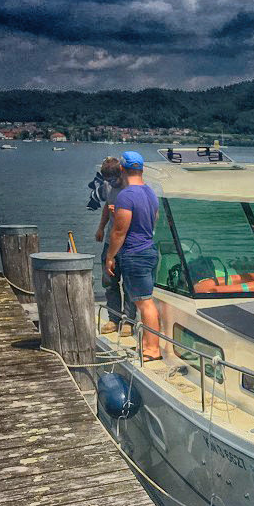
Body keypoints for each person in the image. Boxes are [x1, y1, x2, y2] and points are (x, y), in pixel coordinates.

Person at [105, 151, 161, 361]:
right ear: (142, 169)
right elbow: (154, 218)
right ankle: (148, 343)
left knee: (144, 303)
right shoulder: (150, 192)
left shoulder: (126, 196)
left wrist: (110, 256)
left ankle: (152, 349)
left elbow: (119, 231)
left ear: (122, 169)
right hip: (149, 250)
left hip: (134, 253)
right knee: (146, 301)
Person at [93, 157, 136, 334]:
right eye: (108, 180)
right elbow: (106, 207)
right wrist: (101, 227)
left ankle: (129, 321)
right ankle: (113, 318)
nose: (111, 183)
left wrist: (119, 212)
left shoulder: (131, 189)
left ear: (122, 173)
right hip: (111, 242)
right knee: (109, 282)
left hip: (128, 243)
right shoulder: (108, 186)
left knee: (129, 283)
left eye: (113, 179)